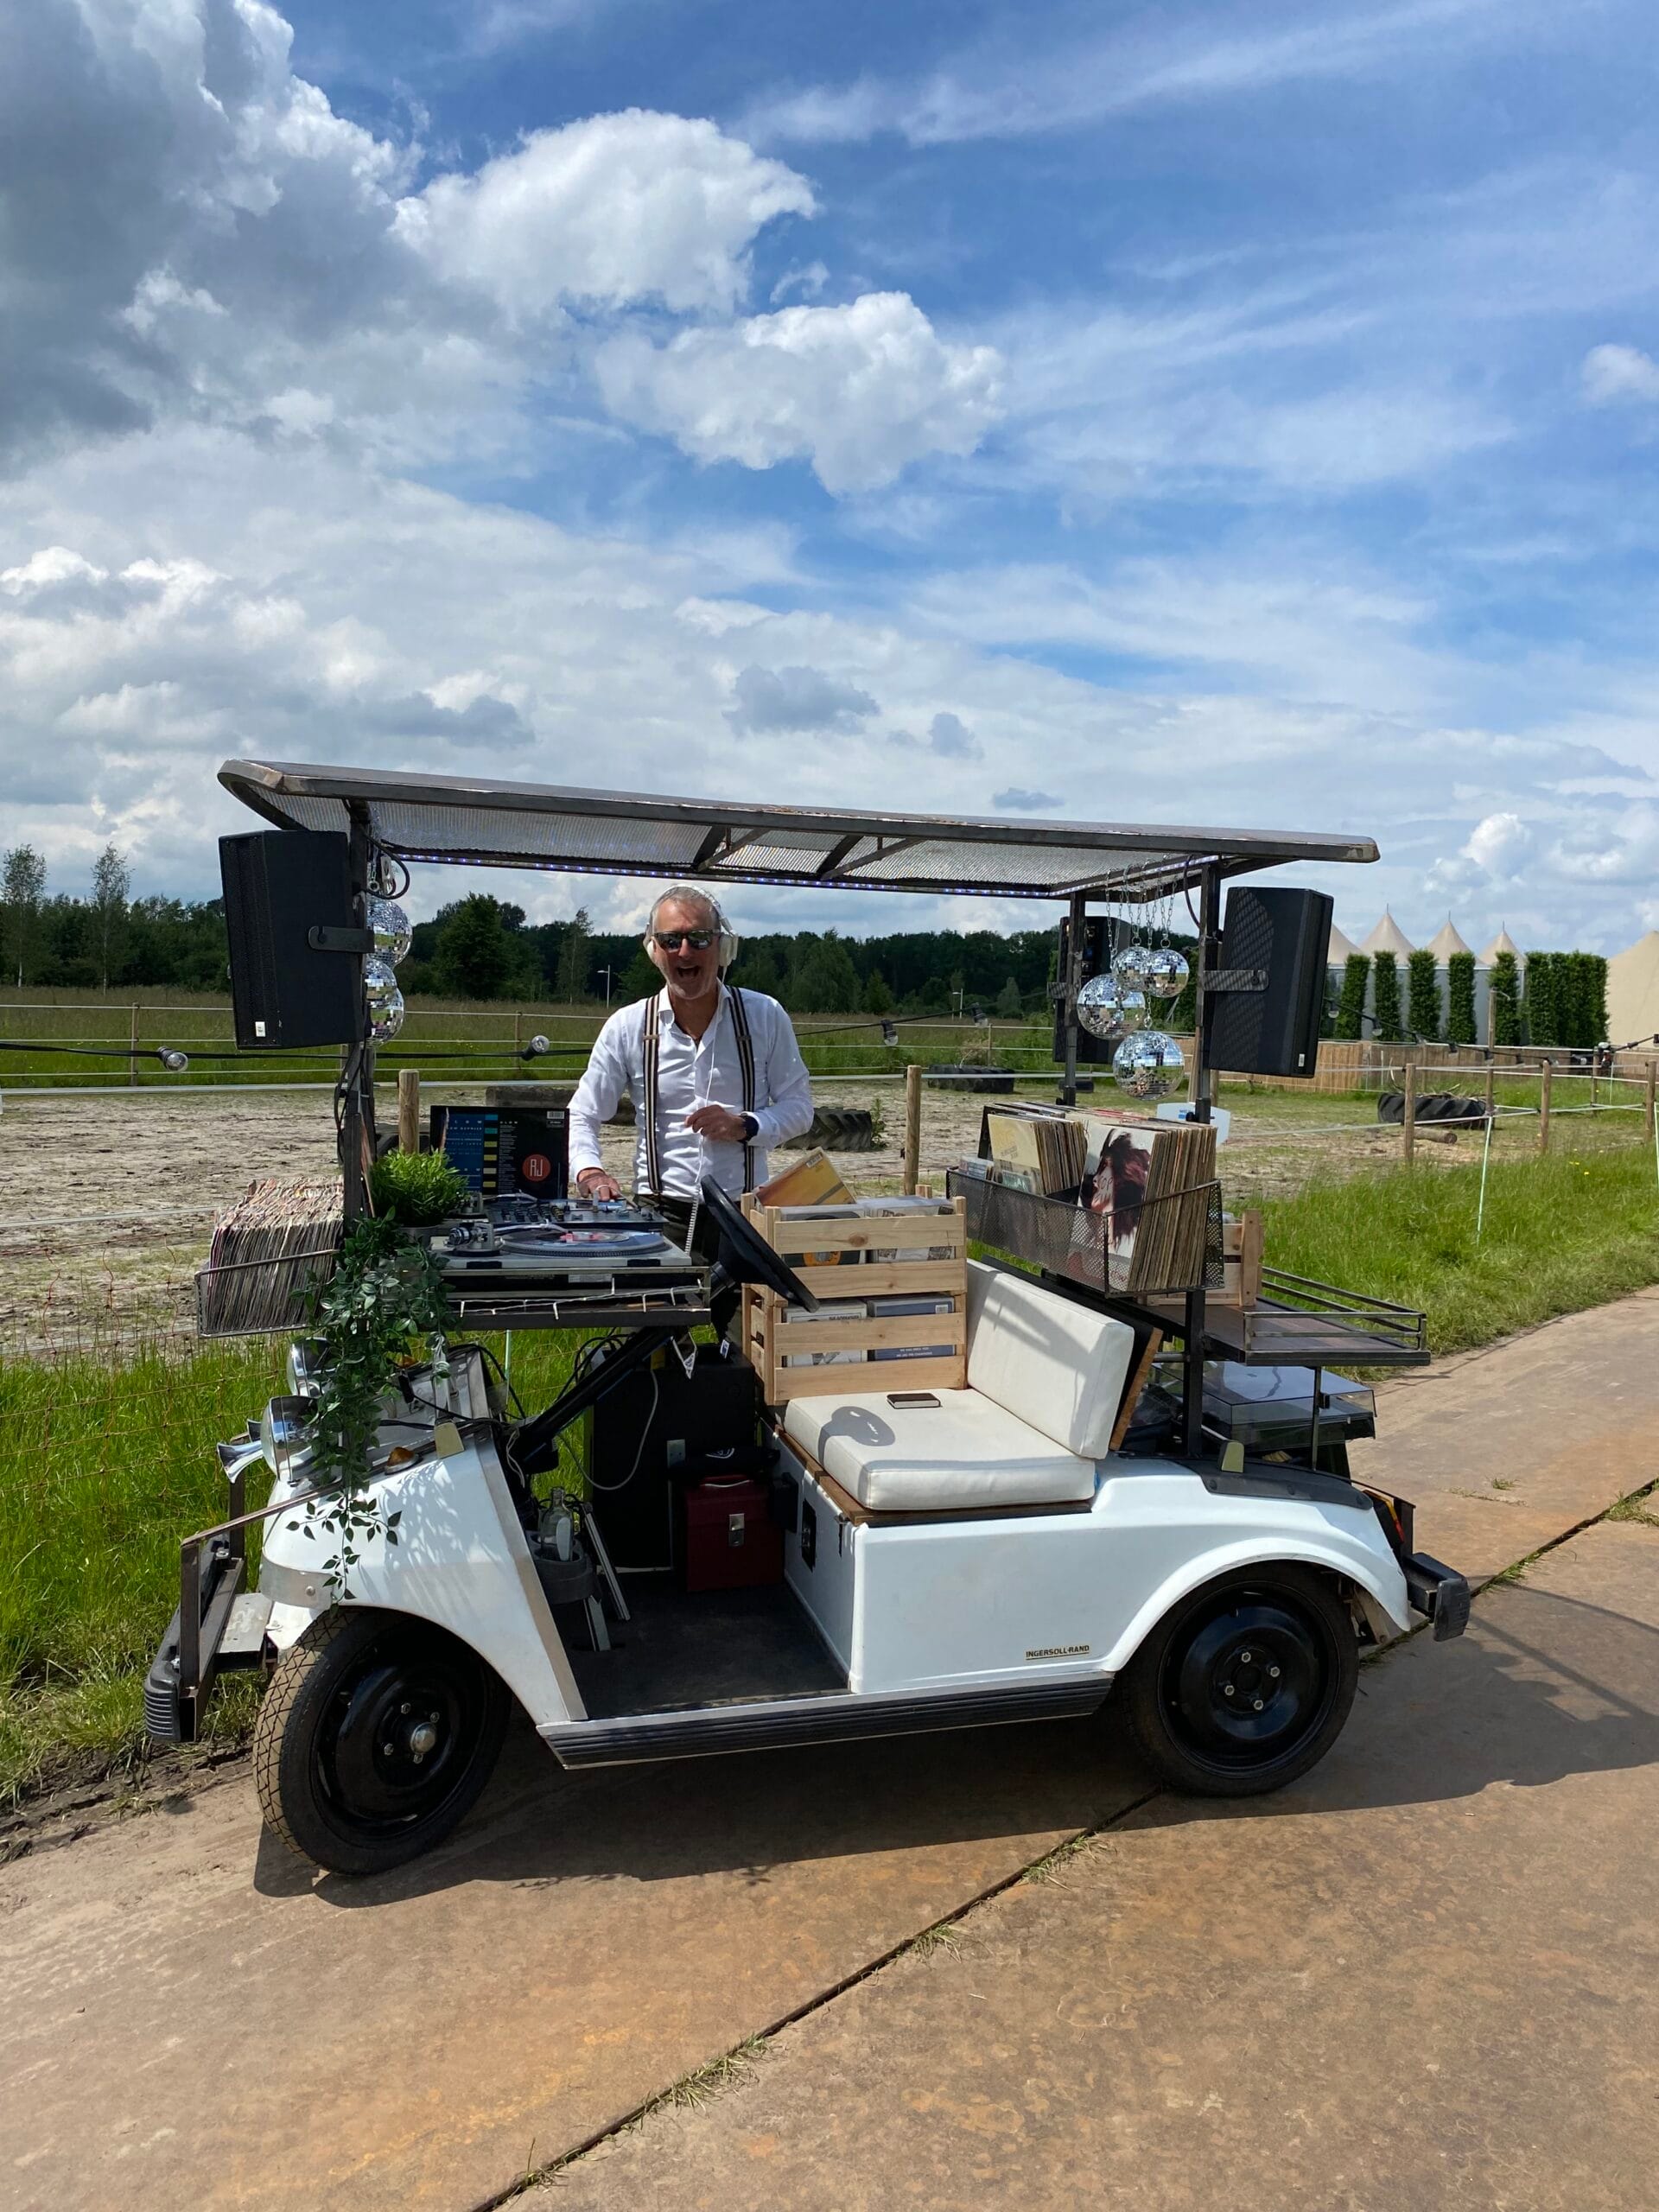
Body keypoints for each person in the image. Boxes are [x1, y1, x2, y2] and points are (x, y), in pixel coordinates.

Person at [567, 885, 814, 1259]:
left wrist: (746, 1125)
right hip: (658, 1216)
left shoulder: (765, 1016)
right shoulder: (627, 1026)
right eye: (670, 940)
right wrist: (590, 1172)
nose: (684, 952)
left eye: (698, 938)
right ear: (654, 951)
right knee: (658, 1301)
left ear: (723, 947)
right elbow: (583, 1113)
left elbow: (799, 1108)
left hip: (744, 1214)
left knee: (749, 1302)